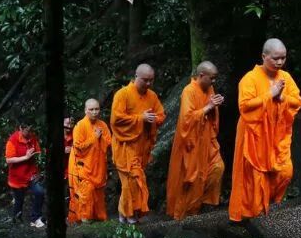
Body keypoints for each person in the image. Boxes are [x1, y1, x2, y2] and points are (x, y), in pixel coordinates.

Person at [228, 39, 301, 222]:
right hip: (254, 133)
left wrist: (281, 97)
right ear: (264, 56)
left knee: (285, 171)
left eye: (283, 58)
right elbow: (244, 106)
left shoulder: (285, 77)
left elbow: (298, 101)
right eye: (276, 58)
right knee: (253, 176)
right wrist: (269, 95)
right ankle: (252, 216)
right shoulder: (249, 79)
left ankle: (267, 205)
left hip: (277, 135)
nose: (279, 62)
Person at [166, 62, 225, 220]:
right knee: (190, 179)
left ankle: (203, 204)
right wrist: (208, 107)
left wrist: (215, 106)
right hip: (190, 142)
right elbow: (186, 119)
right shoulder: (188, 91)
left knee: (218, 168)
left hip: (207, 139)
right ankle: (185, 215)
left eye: (215, 79)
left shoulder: (210, 89)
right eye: (211, 78)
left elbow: (212, 115)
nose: (214, 82)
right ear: (201, 76)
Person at [110, 64, 166, 223]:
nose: (148, 84)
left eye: (151, 80)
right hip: (125, 146)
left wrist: (154, 119)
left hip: (142, 147)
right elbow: (116, 120)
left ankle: (124, 211)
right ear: (136, 77)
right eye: (145, 80)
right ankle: (129, 214)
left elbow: (161, 114)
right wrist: (140, 118)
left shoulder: (152, 96)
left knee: (135, 180)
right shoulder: (123, 94)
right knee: (131, 180)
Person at [67, 99, 112, 222]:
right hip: (81, 165)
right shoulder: (80, 126)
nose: (94, 112)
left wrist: (101, 137)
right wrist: (94, 137)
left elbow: (109, 142)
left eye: (97, 109)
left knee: (98, 192)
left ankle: (97, 217)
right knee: (85, 191)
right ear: (85, 110)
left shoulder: (102, 125)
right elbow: (78, 147)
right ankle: (84, 218)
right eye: (91, 109)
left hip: (97, 165)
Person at [5, 123, 45, 228]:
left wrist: (38, 171)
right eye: (27, 130)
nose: (29, 133)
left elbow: (38, 152)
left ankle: (35, 218)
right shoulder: (12, 140)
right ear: (21, 128)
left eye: (31, 130)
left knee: (40, 192)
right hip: (17, 177)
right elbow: (8, 159)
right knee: (19, 200)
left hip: (31, 174)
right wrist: (25, 157)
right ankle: (17, 221)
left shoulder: (32, 137)